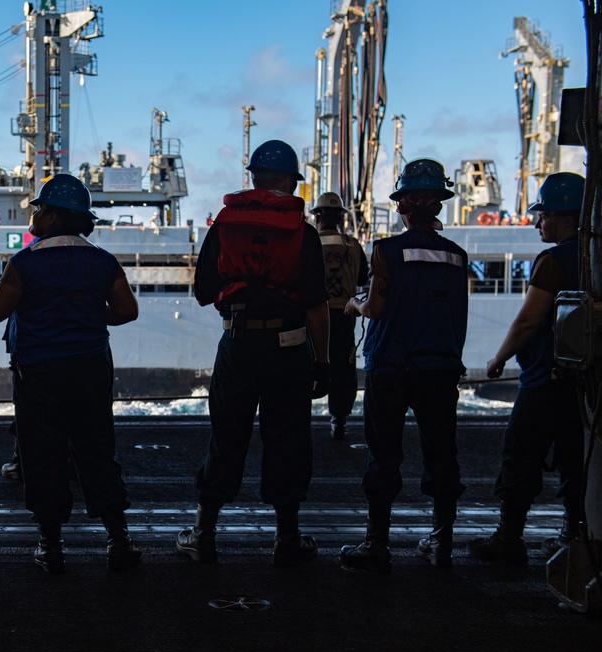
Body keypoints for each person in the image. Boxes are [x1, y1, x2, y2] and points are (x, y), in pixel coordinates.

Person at [177, 139, 330, 567]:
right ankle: (287, 538)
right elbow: (317, 306)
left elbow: (204, 292)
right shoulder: (305, 232)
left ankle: (204, 533)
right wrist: (324, 362)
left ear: (253, 177)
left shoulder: (224, 225)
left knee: (226, 437)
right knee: (288, 440)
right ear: (289, 180)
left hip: (239, 343)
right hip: (291, 347)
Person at [0, 173, 142, 574]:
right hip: (90, 365)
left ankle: (51, 545)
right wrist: (86, 317)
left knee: (42, 454)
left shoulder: (25, 262)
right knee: (96, 450)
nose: (34, 215)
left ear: (53, 217)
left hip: (38, 370)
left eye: (40, 209)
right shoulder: (103, 262)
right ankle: (118, 538)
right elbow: (126, 311)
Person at [340, 158, 468, 573]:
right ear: (439, 204)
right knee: (441, 452)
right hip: (440, 366)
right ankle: (441, 540)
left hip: (391, 366)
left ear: (403, 204)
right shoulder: (457, 256)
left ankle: (377, 543)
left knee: (384, 454)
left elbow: (375, 307)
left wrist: (353, 303)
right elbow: (457, 317)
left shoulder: (386, 250)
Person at [468, 173, 585, 564]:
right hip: (585, 384)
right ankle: (575, 539)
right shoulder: (593, 257)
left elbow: (528, 321)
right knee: (576, 459)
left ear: (568, 218)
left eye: (545, 215)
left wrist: (498, 358)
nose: (538, 223)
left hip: (545, 379)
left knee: (520, 454)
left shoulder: (553, 261)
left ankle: (509, 538)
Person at [312, 192, 369, 440]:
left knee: (309, 365)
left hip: (313, 316)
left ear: (317, 216)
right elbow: (363, 279)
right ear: (341, 218)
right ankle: (340, 420)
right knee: (344, 371)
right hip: (345, 316)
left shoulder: (308, 243)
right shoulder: (353, 245)